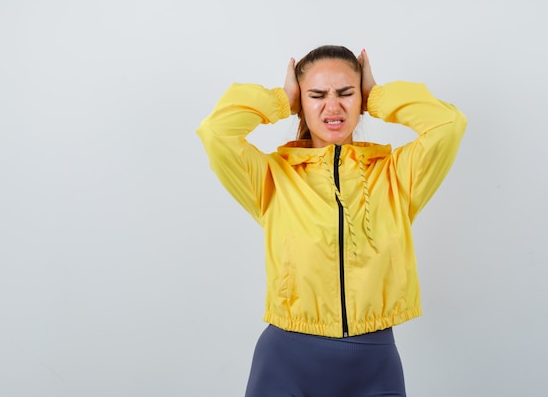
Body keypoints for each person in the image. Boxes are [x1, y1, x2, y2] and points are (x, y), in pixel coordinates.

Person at [196, 45, 466, 397]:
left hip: (374, 362)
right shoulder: (273, 178)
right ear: (301, 103)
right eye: (317, 95)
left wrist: (379, 96)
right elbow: (216, 132)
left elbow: (448, 125)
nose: (333, 106)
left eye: (346, 93)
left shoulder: (396, 177)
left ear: (361, 98)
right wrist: (280, 99)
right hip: (286, 361)